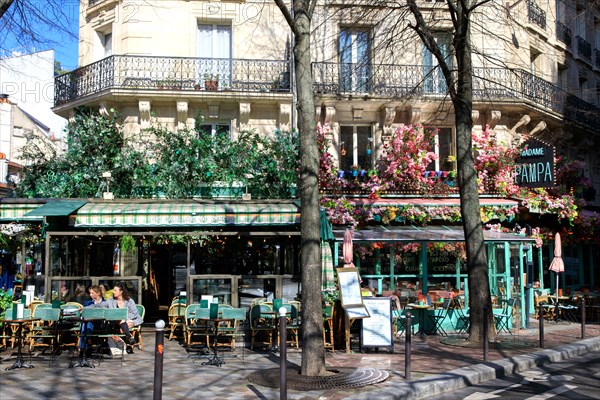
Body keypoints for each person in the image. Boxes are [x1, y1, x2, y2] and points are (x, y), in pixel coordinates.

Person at [88, 283, 142, 348]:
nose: (113, 292)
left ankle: (127, 335)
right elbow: (100, 305)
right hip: (115, 323)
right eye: (113, 290)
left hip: (130, 320)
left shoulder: (129, 301)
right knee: (121, 321)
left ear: (121, 291)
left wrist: (125, 318)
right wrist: (86, 307)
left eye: (115, 290)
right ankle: (130, 337)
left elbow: (134, 313)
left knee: (122, 321)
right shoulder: (111, 301)